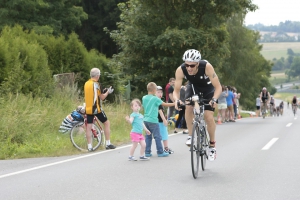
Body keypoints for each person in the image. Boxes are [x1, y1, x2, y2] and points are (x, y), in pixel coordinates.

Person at [173, 49, 222, 161]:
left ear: (198, 64)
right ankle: (190, 135)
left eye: (192, 65)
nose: (189, 68)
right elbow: (176, 91)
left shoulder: (207, 67)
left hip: (208, 89)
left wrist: (214, 99)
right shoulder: (181, 70)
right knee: (188, 107)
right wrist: (176, 100)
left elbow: (218, 87)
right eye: (187, 65)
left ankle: (212, 145)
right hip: (193, 87)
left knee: (209, 117)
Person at [84, 68, 116, 151]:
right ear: (98, 76)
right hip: (96, 109)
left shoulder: (86, 83)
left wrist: (103, 90)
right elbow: (102, 97)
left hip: (88, 108)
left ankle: (89, 146)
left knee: (89, 126)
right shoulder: (97, 84)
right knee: (106, 123)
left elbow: (93, 93)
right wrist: (108, 92)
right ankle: (108, 143)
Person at [142, 82, 175, 157]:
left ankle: (147, 152)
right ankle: (160, 152)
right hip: (153, 120)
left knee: (148, 136)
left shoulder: (144, 98)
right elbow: (165, 104)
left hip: (145, 120)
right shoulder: (155, 99)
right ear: (154, 90)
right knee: (158, 137)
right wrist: (174, 103)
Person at [156, 86, 174, 154]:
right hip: (160, 121)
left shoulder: (157, 101)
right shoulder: (158, 101)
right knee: (164, 135)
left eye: (161, 92)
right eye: (158, 92)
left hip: (156, 121)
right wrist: (164, 120)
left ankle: (160, 149)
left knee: (159, 135)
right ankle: (166, 148)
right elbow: (160, 111)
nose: (160, 94)